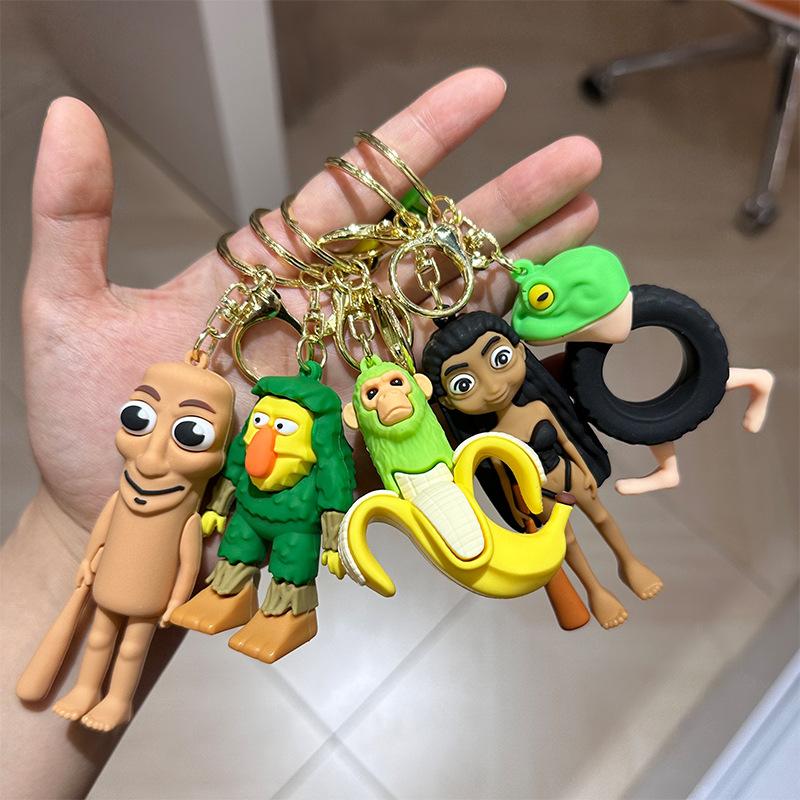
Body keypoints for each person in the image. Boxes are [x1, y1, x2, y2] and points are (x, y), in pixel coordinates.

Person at [1, 68, 603, 798]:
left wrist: (330, 525)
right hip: (254, 514)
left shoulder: (337, 436)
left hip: (317, 517)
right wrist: (120, 527)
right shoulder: (255, 440)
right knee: (234, 555)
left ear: (415, 391)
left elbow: (337, 477)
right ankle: (227, 598)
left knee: (288, 566)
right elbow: (230, 481)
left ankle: (286, 614)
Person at [421, 311, 663, 630]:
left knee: (602, 517)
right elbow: (503, 479)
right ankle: (594, 591)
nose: (493, 387)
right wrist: (518, 512)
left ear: (520, 351)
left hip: (569, 473)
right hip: (541, 495)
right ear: (448, 402)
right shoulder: (491, 441)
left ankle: (629, 563)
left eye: (500, 358)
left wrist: (585, 469)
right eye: (464, 384)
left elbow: (567, 440)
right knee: (567, 542)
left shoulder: (538, 408)